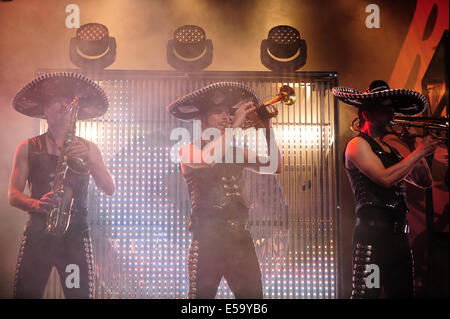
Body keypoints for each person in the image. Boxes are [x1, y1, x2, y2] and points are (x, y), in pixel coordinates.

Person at [167, 82, 282, 298]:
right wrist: (236, 125)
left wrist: (267, 128)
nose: (225, 117)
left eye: (228, 113)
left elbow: (275, 167)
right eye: (217, 112)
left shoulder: (236, 150)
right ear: (203, 120)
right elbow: (209, 158)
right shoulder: (187, 149)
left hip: (240, 238)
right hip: (208, 238)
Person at [8, 72, 115, 299]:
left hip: (75, 237)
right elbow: (13, 195)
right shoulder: (28, 147)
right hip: (38, 233)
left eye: (68, 100)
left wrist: (92, 160)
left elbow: (109, 188)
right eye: (56, 100)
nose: (64, 104)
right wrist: (36, 204)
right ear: (45, 110)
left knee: (79, 296)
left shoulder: (90, 148)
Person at [333, 80, 440, 298]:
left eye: (393, 107)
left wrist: (412, 147)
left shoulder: (391, 148)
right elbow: (384, 178)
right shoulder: (357, 145)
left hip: (399, 239)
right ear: (367, 114)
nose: (392, 112)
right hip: (372, 238)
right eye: (385, 108)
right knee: (368, 294)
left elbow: (424, 181)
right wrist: (419, 152)